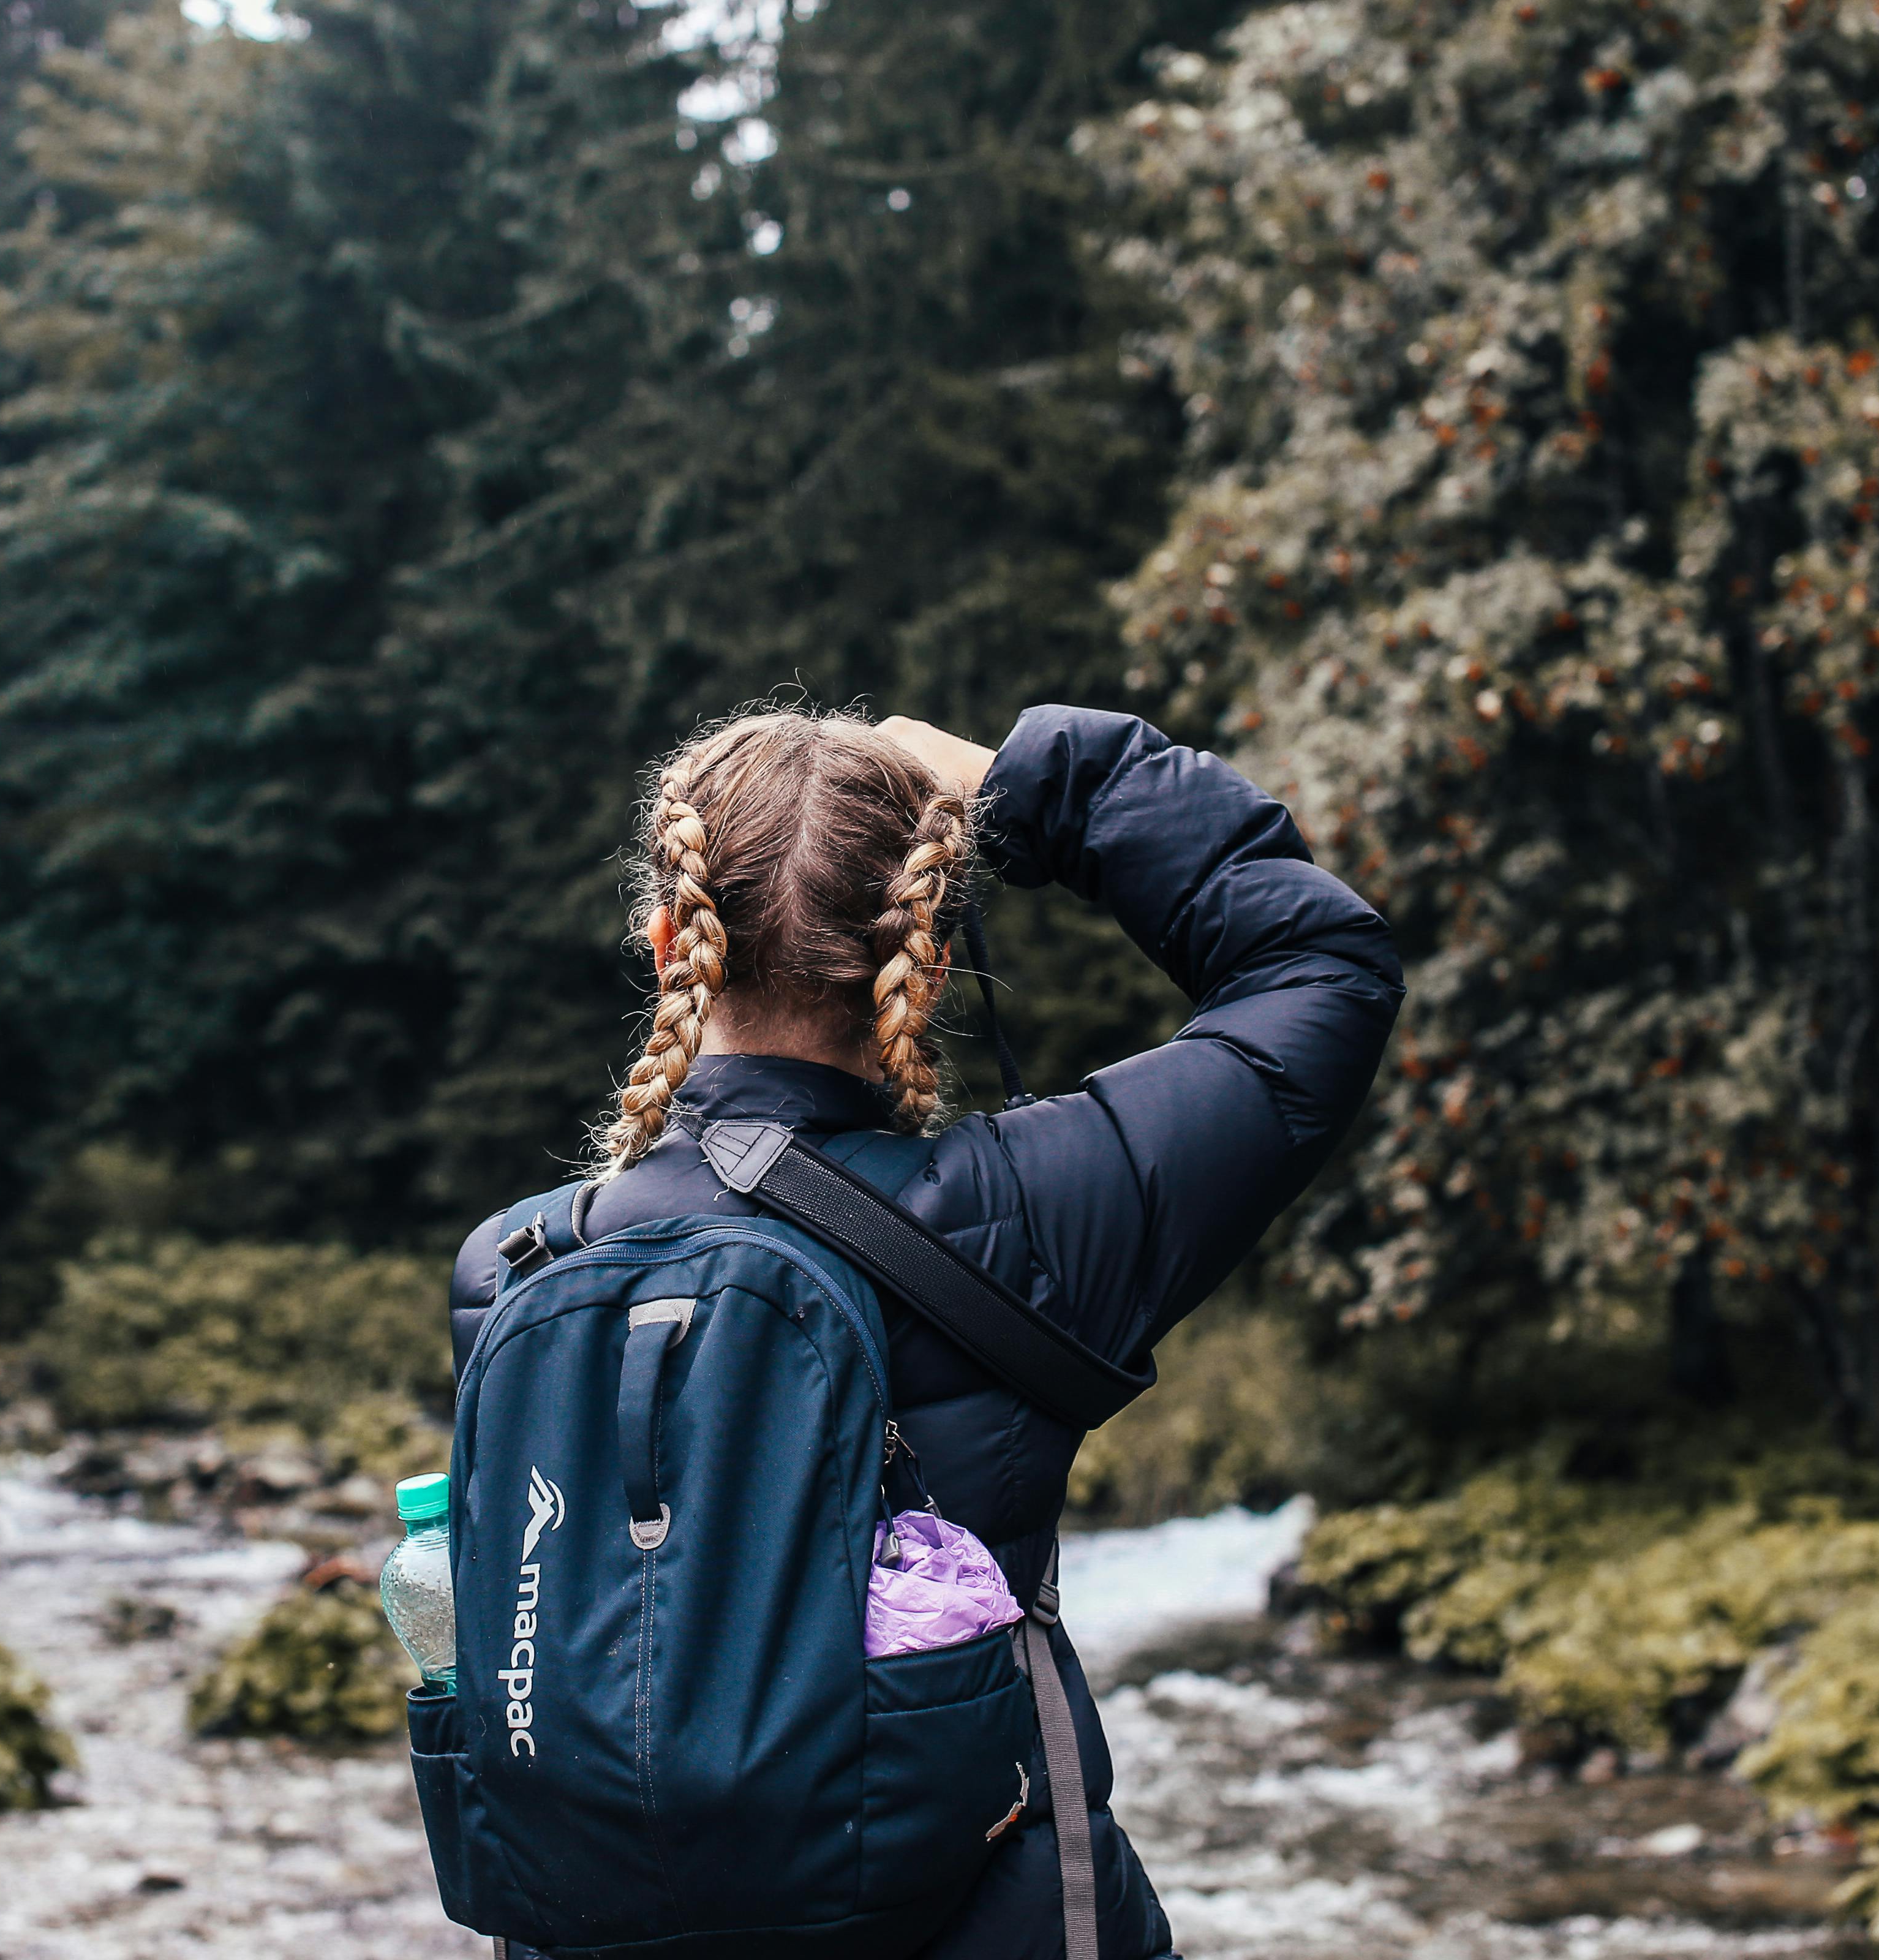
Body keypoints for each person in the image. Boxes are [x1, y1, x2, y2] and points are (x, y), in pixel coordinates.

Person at [448, 703, 1401, 1960]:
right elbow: (1320, 966)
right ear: (930, 961)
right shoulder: (1033, 1217)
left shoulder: (517, 1268)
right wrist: (1045, 780)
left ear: (672, 939)